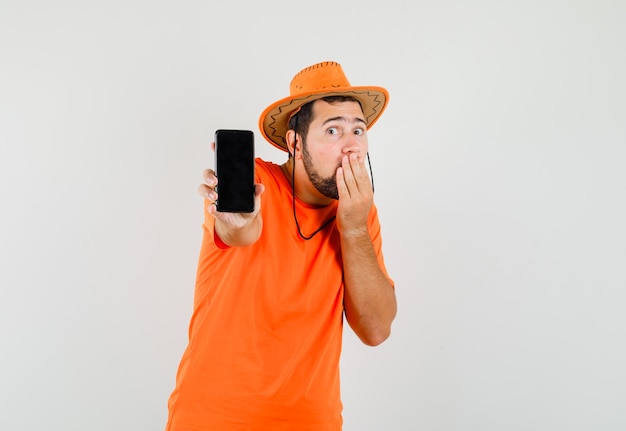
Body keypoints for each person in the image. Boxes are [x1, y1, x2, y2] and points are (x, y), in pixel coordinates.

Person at [166, 60, 397, 431]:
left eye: (359, 130)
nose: (352, 146)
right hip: (214, 419)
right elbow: (241, 232)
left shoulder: (358, 212)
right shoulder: (254, 182)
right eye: (333, 130)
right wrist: (238, 222)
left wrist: (353, 229)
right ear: (295, 143)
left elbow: (376, 329)